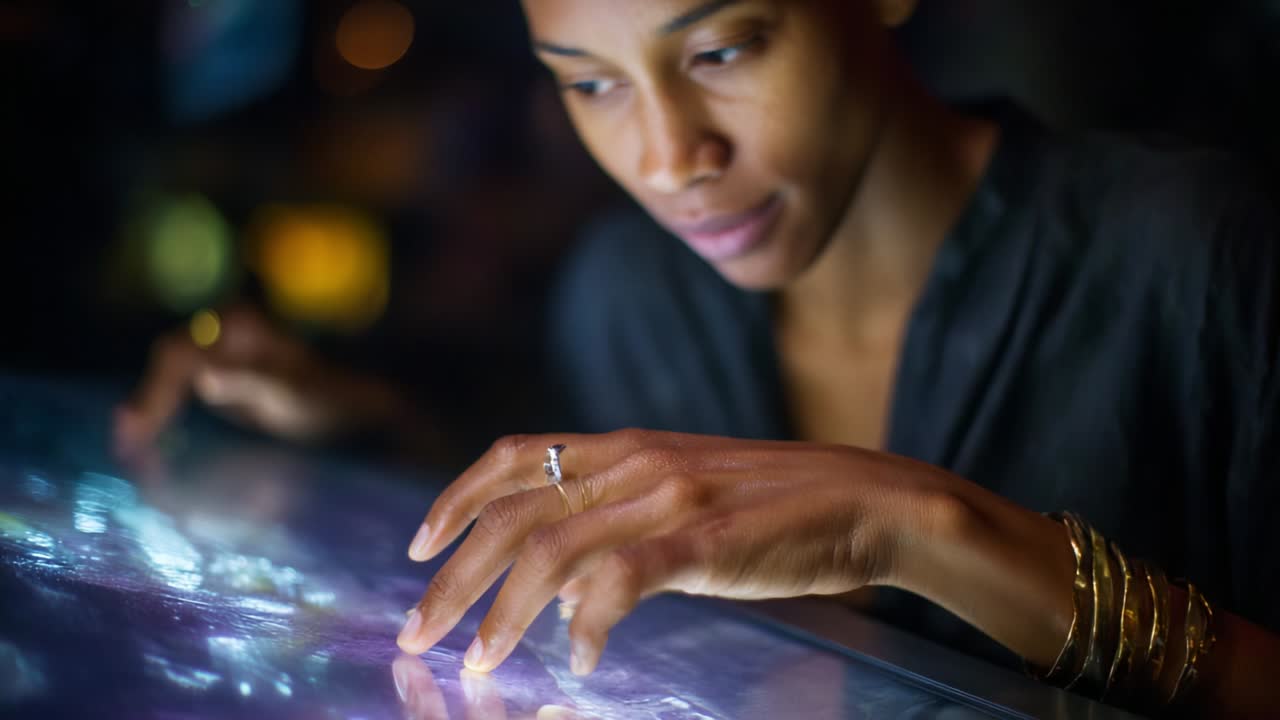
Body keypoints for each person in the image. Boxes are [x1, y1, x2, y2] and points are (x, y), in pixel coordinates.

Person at [119, 0, 1279, 715]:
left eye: (721, 48)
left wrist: (915, 528)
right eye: (590, 82)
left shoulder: (1199, 259)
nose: (669, 157)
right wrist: (347, 426)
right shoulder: (629, 299)